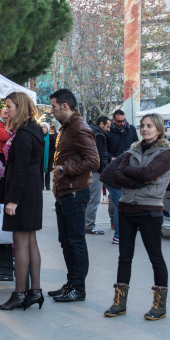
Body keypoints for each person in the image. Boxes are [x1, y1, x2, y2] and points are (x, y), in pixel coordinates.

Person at [103, 113, 170, 321]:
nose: (145, 129)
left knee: (155, 257)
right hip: (126, 209)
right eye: (142, 125)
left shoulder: (165, 153)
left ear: (159, 129)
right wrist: (138, 179)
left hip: (150, 210)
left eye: (149, 126)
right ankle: (119, 302)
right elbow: (115, 174)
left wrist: (133, 174)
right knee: (124, 257)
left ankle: (159, 305)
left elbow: (147, 173)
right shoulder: (133, 150)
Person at [47, 89, 100, 303]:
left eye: (53, 106)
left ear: (64, 106)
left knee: (76, 241)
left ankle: (79, 288)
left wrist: (64, 171)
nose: (51, 110)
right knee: (66, 241)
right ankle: (71, 283)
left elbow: (94, 161)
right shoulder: (66, 128)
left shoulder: (79, 128)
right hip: (65, 192)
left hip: (76, 192)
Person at [0, 92, 45, 311]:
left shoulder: (24, 135)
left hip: (23, 194)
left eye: (10, 106)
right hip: (32, 192)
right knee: (30, 241)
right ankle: (35, 291)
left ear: (20, 108)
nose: (6, 111)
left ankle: (19, 293)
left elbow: (20, 170)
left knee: (22, 242)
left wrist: (13, 199)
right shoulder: (33, 131)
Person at [105, 110, 138, 245]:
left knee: (118, 199)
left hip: (127, 169)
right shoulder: (108, 131)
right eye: (119, 121)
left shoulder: (131, 129)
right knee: (119, 200)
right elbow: (103, 149)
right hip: (112, 170)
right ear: (113, 120)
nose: (122, 123)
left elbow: (136, 145)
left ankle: (117, 224)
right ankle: (118, 234)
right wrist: (110, 157)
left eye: (123, 121)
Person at [85, 116, 110, 235]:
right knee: (94, 199)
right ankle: (89, 225)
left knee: (87, 199)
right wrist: (101, 170)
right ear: (101, 124)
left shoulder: (90, 131)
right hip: (95, 171)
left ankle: (86, 224)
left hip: (87, 170)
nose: (109, 129)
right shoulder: (99, 135)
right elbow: (99, 155)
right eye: (108, 126)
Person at [41, 122, 52, 190]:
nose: (43, 129)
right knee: (40, 171)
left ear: (47, 128)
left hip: (48, 157)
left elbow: (53, 148)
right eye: (42, 127)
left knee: (47, 172)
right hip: (41, 157)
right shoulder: (39, 136)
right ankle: (41, 185)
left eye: (44, 127)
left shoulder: (51, 137)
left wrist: (51, 155)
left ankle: (47, 185)